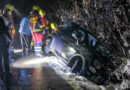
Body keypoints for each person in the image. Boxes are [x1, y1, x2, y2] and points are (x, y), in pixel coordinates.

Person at [0, 17, 11, 90]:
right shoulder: (0, 19)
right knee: (5, 55)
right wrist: (9, 37)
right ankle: (7, 71)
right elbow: (4, 29)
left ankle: (1, 72)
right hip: (1, 39)